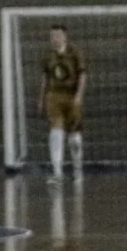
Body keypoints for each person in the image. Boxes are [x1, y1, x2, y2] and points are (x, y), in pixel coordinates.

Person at [37, 24, 86, 181]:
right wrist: (41, 98)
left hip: (71, 96)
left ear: (65, 36)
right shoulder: (48, 56)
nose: (54, 39)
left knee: (74, 136)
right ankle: (57, 171)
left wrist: (79, 95)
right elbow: (45, 78)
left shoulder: (74, 53)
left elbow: (82, 75)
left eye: (57, 36)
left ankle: (77, 169)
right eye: (52, 36)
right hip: (54, 96)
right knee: (56, 133)